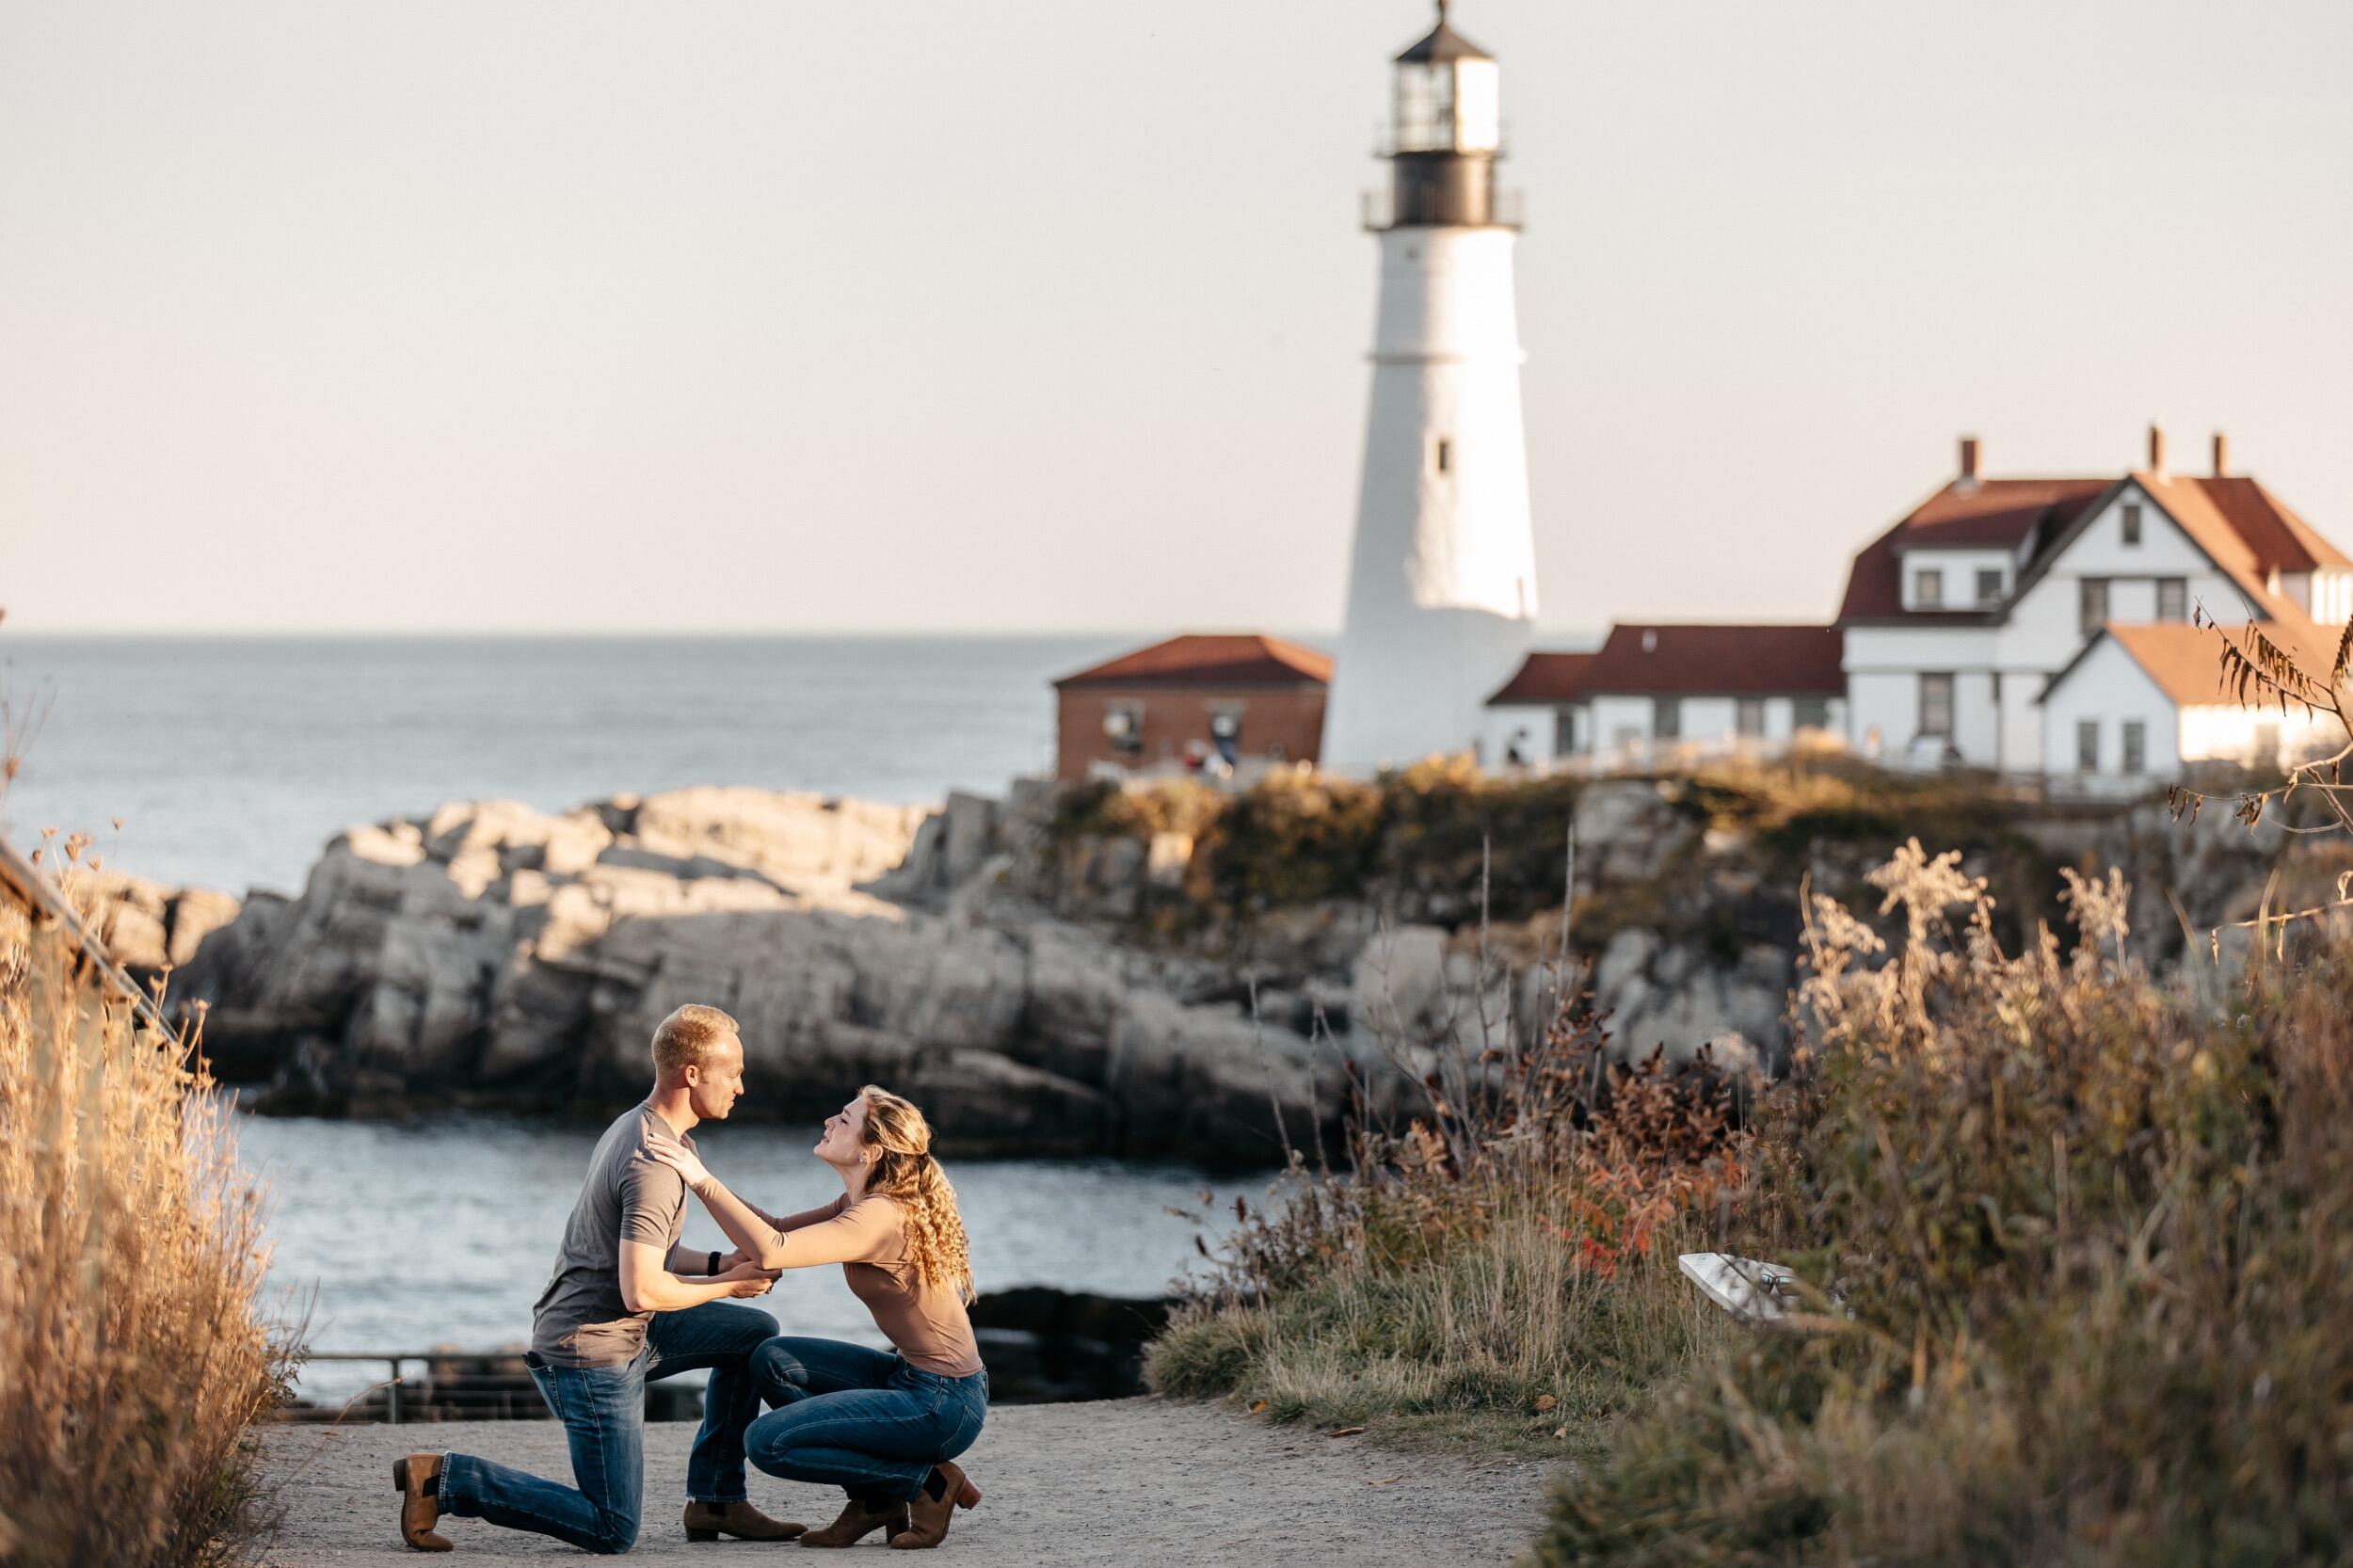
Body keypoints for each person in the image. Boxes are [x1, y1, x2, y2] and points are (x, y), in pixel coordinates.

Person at [392, 1004, 803, 1554]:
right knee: (611, 1528)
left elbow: (650, 1250)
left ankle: (716, 1499)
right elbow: (642, 1289)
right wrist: (733, 1286)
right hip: (589, 1355)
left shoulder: (657, 1133)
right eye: (734, 1074)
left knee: (751, 1333)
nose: (742, 1087)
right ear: (693, 1074)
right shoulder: (652, 1163)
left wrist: (716, 1266)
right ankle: (443, 1479)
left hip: (628, 1332)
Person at [648, 1086, 987, 1551]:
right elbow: (776, 1229)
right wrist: (697, 1173)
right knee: (772, 1358)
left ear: (871, 1150)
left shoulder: (882, 1216)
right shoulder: (862, 1201)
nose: (829, 1120)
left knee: (768, 1443)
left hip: (943, 1404)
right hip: (911, 1379)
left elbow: (772, 1249)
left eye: (845, 1120)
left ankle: (925, 1482)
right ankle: (876, 1499)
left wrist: (701, 1179)